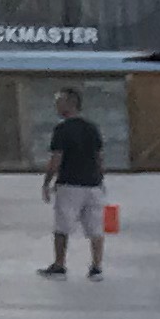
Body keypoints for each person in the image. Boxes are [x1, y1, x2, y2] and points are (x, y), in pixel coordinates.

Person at [41, 87, 108, 276]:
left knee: (62, 227)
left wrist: (47, 182)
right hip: (93, 184)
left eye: (59, 102)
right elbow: (99, 157)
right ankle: (96, 266)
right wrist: (100, 178)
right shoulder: (92, 128)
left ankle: (59, 264)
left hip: (69, 184)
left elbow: (56, 159)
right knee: (95, 227)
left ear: (70, 104)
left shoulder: (62, 130)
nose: (56, 106)